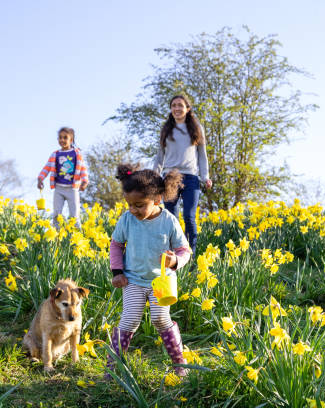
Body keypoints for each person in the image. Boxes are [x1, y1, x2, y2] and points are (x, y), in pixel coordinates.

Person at [107, 163, 193, 378]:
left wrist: (175, 261)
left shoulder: (169, 221)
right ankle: (113, 368)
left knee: (160, 319)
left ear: (157, 200)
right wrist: (117, 272)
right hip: (134, 280)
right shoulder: (127, 219)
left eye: (139, 205)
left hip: (161, 281)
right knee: (129, 320)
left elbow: (184, 250)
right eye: (130, 205)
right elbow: (116, 244)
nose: (133, 210)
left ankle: (179, 365)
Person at [154, 95, 212, 255]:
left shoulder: (196, 128)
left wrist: (205, 176)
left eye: (180, 105)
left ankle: (189, 254)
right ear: (171, 109)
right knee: (170, 218)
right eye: (174, 105)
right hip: (169, 178)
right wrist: (155, 176)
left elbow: (202, 155)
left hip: (191, 177)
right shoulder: (166, 129)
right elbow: (159, 156)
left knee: (189, 216)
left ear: (187, 108)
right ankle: (173, 254)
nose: (177, 108)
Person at [37, 127, 89, 230]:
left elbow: (82, 168)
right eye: (60, 138)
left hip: (72, 188)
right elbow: (47, 167)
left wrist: (84, 181)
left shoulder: (76, 153)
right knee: (57, 214)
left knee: (74, 215)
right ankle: (57, 236)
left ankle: (77, 236)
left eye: (65, 138)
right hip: (59, 189)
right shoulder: (55, 154)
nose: (62, 140)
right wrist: (40, 179)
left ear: (71, 140)